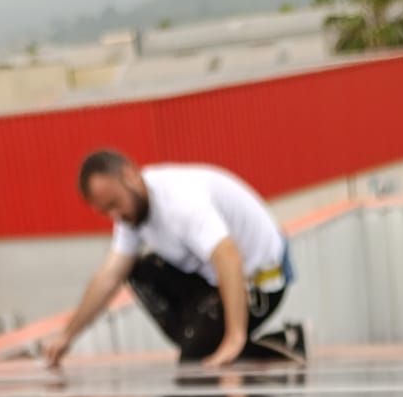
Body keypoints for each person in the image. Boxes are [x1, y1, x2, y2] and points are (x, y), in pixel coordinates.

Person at [41, 152, 303, 371]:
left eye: (115, 204)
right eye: (105, 212)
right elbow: (109, 276)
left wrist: (234, 338)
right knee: (140, 270)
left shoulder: (180, 202)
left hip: (259, 284)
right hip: (213, 277)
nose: (115, 215)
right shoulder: (132, 212)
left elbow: (229, 257)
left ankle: (280, 343)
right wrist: (68, 335)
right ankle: (201, 335)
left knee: (193, 360)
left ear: (130, 175)